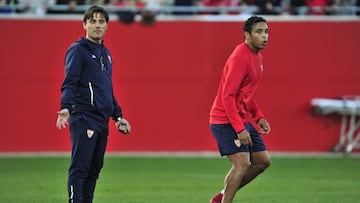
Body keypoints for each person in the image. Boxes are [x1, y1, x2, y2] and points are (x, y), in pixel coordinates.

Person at [56, 5, 131, 203]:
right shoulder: (78, 50)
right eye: (92, 21)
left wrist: (119, 117)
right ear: (84, 25)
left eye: (101, 22)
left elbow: (107, 89)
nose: (97, 25)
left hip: (101, 121)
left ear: (107, 26)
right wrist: (66, 107)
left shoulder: (106, 54)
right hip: (83, 116)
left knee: (94, 169)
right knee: (80, 167)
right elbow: (70, 83)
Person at [209, 16, 271, 203]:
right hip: (225, 120)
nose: (264, 36)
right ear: (247, 35)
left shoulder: (257, 57)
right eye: (259, 32)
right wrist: (240, 129)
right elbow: (228, 96)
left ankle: (220, 197)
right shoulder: (240, 57)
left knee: (262, 161)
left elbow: (245, 96)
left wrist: (258, 117)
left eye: (266, 32)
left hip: (241, 119)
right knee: (242, 163)